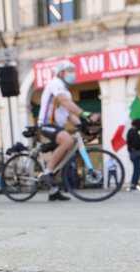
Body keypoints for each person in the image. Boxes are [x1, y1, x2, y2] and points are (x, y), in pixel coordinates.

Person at [36, 60, 99, 201]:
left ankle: (53, 191)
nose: (73, 74)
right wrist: (86, 114)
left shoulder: (66, 91)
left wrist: (83, 125)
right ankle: (47, 172)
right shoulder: (55, 83)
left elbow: (70, 114)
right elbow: (64, 102)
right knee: (68, 140)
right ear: (61, 73)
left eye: (73, 71)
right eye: (69, 70)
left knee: (65, 156)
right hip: (46, 124)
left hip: (57, 126)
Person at [127, 118, 140, 190]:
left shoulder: (133, 131)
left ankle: (134, 185)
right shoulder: (133, 132)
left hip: (135, 153)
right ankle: (133, 186)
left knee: (137, 170)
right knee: (137, 170)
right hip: (136, 154)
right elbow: (136, 143)